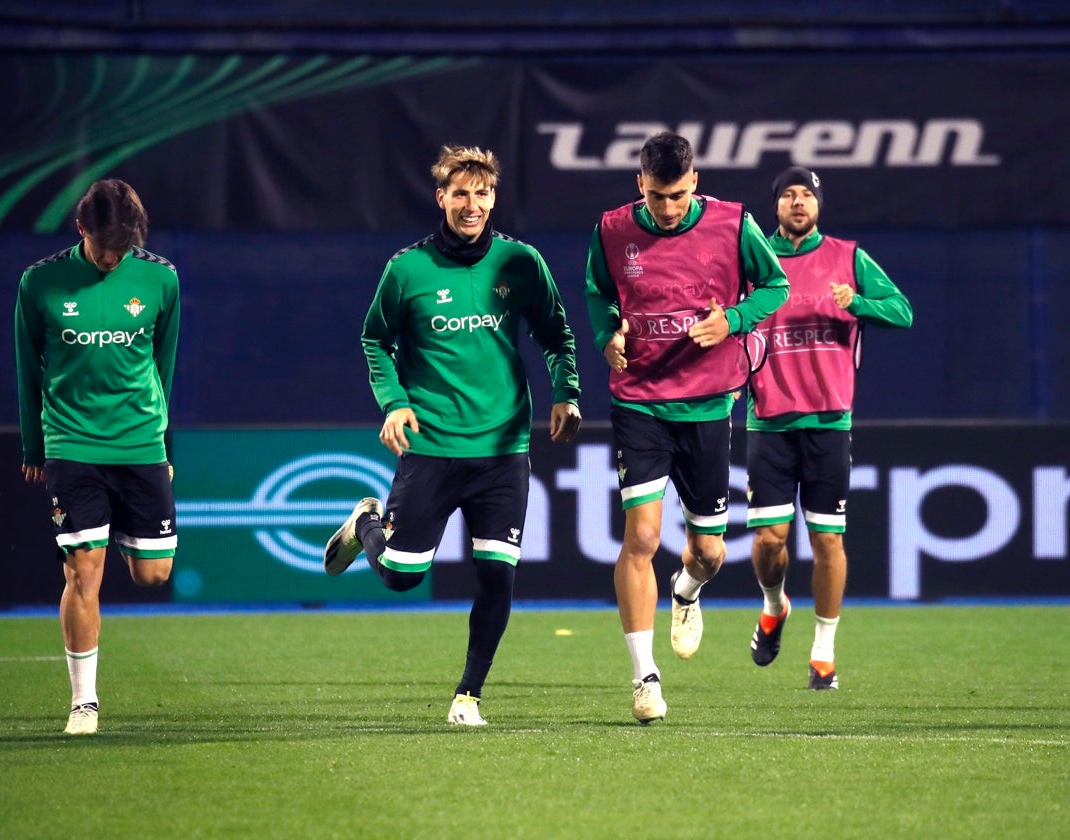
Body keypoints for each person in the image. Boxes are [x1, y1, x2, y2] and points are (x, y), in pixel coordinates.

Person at [323, 144, 582, 726]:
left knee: (497, 572)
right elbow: (375, 341)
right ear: (441, 197)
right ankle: (366, 522)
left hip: (503, 450)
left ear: (494, 197)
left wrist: (566, 391)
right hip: (433, 449)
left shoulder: (521, 262)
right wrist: (394, 404)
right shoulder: (407, 268)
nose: (472, 204)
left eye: (482, 193)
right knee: (400, 576)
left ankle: (469, 695)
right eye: (460, 193)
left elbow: (556, 333)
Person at [585, 131, 789, 724]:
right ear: (639, 185)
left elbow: (775, 286)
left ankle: (686, 592)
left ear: (694, 181)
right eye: (656, 197)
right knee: (641, 538)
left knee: (709, 551)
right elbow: (599, 292)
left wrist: (733, 320)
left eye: (676, 196)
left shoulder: (734, 224)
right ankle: (644, 679)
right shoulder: (612, 229)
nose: (667, 209)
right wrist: (607, 335)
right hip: (640, 402)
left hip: (707, 405)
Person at [14, 179, 181, 735]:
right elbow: (27, 367)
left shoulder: (160, 277)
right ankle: (83, 704)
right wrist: (34, 446)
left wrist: (164, 445)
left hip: (139, 443)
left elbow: (164, 364)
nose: (115, 259)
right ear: (81, 229)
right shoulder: (40, 283)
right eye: (107, 247)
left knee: (153, 576)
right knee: (84, 570)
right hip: (72, 442)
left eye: (125, 248)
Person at [746, 166, 913, 690]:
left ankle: (823, 655)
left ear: (819, 206)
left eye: (807, 196)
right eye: (789, 194)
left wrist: (858, 303)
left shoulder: (848, 257)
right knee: (770, 542)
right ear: (775, 206)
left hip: (828, 421)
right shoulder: (753, 259)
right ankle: (774, 607)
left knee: (827, 542)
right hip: (769, 420)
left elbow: (902, 311)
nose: (799, 202)